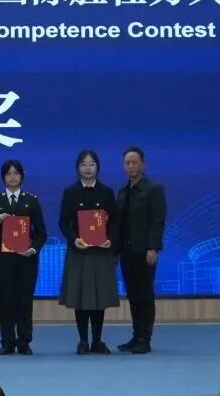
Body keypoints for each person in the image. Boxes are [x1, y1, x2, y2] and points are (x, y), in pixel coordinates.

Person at [0, 159, 46, 355]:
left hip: (27, 258)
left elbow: (41, 232)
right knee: (5, 299)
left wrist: (34, 249)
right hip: (3, 259)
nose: (12, 177)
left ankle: (24, 342)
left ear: (22, 176)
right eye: (8, 174)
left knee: (25, 300)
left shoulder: (31, 200)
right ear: (3, 177)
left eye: (16, 173)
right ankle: (7, 341)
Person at [58, 149, 120, 354]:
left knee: (99, 298)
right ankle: (83, 341)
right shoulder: (70, 192)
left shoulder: (106, 192)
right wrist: (74, 239)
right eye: (84, 164)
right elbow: (63, 223)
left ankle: (97, 341)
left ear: (97, 167)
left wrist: (110, 239)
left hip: (101, 252)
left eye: (91, 164)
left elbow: (115, 221)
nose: (87, 168)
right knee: (81, 298)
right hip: (79, 252)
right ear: (78, 168)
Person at [116, 146, 166, 354]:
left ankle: (145, 338)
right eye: (127, 163)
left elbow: (157, 221)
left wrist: (153, 247)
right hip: (126, 252)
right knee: (133, 295)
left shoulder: (153, 189)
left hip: (145, 251)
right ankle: (136, 335)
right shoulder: (122, 192)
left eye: (134, 162)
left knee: (145, 295)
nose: (130, 166)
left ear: (143, 164)